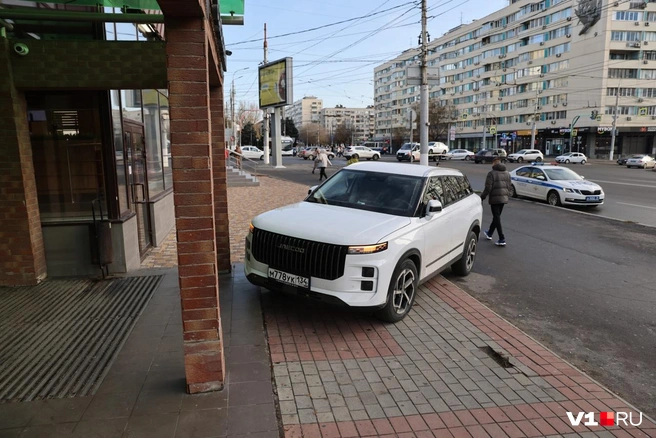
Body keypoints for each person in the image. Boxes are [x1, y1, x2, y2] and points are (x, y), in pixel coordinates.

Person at [479, 157, 511, 246]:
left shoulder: (491, 174)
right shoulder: (507, 173)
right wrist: (506, 194)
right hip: (504, 198)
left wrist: (482, 196)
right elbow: (509, 186)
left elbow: (488, 187)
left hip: (495, 198)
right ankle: (490, 232)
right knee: (496, 216)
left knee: (497, 217)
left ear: (494, 164)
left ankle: (502, 238)